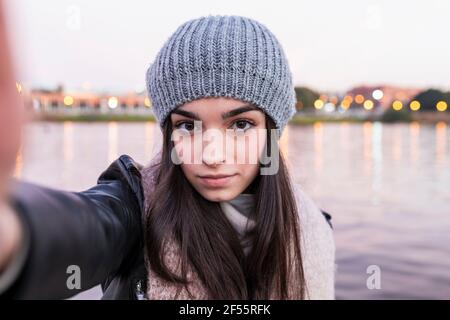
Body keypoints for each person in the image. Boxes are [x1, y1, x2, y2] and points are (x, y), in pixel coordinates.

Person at [0, 14, 335, 300]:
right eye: (187, 125)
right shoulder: (139, 212)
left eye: (241, 124)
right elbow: (85, 229)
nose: (213, 155)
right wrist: (15, 229)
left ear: (271, 132)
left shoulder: (312, 226)